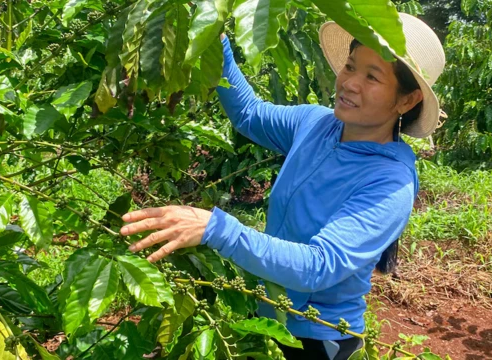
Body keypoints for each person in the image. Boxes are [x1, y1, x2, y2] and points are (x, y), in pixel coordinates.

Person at [119, 13, 446, 360]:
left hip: (318, 340)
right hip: (265, 315)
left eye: (372, 77)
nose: (349, 83)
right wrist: (216, 41)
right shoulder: (316, 123)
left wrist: (216, 228)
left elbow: (319, 265)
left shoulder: (390, 182)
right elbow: (249, 114)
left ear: (407, 101)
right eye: (350, 67)